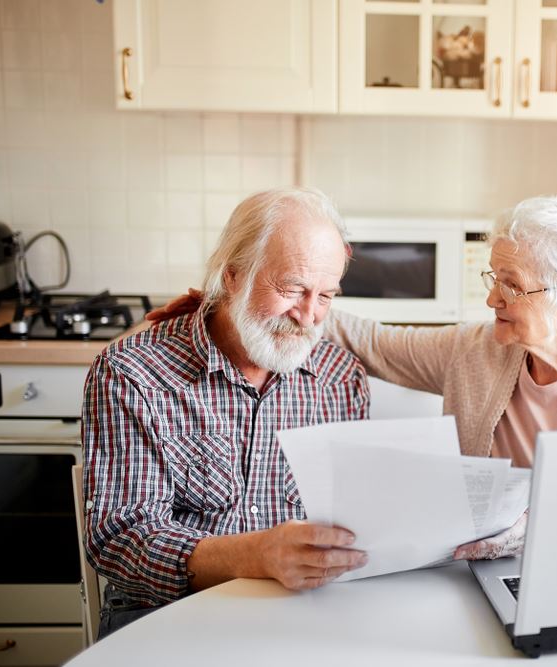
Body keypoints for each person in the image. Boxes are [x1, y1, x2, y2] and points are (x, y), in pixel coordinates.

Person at [151, 195, 557, 561]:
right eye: (493, 279)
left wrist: (529, 532)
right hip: (474, 570)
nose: (492, 298)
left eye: (512, 285)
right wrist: (246, 302)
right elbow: (376, 343)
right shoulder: (477, 350)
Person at [82, 188, 371, 638]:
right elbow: (120, 539)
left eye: (327, 295)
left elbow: (356, 519)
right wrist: (252, 556)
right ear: (232, 277)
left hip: (300, 615)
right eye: (292, 289)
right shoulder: (133, 373)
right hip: (165, 615)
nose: (309, 316)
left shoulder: (341, 379)